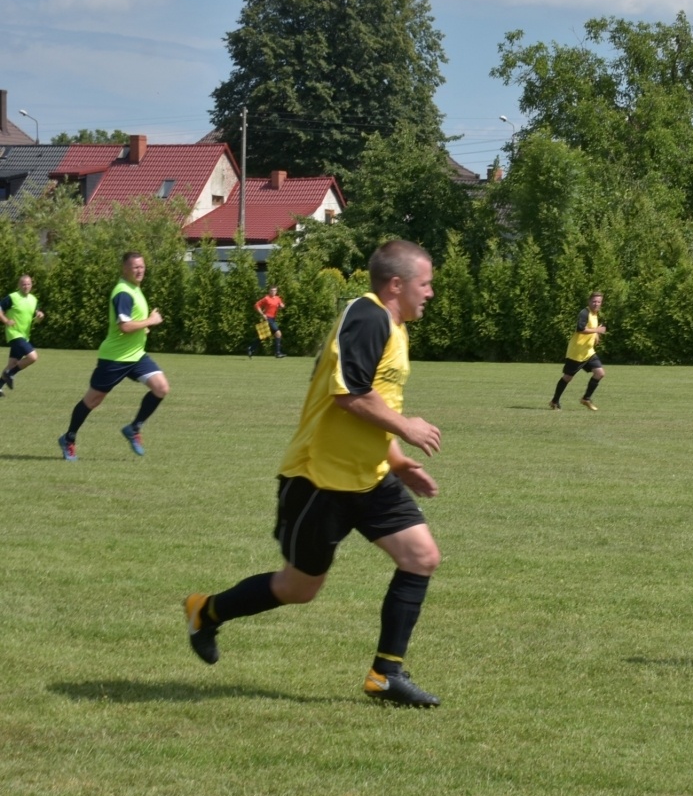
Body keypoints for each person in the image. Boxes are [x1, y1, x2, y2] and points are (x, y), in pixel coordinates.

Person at [184, 240, 445, 708]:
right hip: (319, 480)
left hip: (369, 476)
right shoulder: (367, 317)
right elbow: (350, 395)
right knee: (298, 588)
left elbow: (371, 404)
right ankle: (205, 611)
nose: (430, 293)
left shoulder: (395, 327)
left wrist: (399, 461)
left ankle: (386, 674)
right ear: (397, 284)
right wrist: (407, 428)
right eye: (425, 284)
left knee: (421, 557)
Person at [57, 252, 169, 460]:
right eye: (135, 267)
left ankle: (134, 428)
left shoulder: (135, 289)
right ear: (124, 269)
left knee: (161, 387)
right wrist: (150, 321)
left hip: (136, 356)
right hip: (115, 358)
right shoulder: (123, 291)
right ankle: (69, 438)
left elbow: (131, 323)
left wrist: (142, 327)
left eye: (142, 266)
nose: (140, 270)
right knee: (93, 400)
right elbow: (124, 326)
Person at [550, 292, 606, 410]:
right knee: (567, 378)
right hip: (577, 352)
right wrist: (597, 330)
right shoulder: (584, 313)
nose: (596, 304)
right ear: (589, 301)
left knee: (600, 373)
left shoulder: (595, 314)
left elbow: (590, 329)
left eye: (599, 302)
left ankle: (586, 398)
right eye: (594, 301)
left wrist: (596, 335)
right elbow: (580, 329)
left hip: (589, 352)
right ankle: (554, 401)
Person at [0, 274, 43, 395]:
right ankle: (11, 374)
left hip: (24, 336)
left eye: (28, 284)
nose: (26, 286)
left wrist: (40, 316)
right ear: (19, 285)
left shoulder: (34, 300)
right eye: (23, 284)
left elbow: (37, 313)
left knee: (12, 364)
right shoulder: (12, 297)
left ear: (31, 285)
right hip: (14, 334)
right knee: (33, 357)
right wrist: (6, 321)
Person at [248, 285, 285, 359]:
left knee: (263, 336)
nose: (273, 292)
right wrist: (262, 314)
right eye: (272, 290)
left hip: (273, 319)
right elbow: (256, 305)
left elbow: (281, 305)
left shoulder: (278, 298)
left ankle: (251, 349)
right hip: (268, 318)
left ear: (276, 291)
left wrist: (281, 306)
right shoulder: (266, 298)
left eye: (275, 290)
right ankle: (277, 353)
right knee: (278, 333)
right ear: (269, 291)